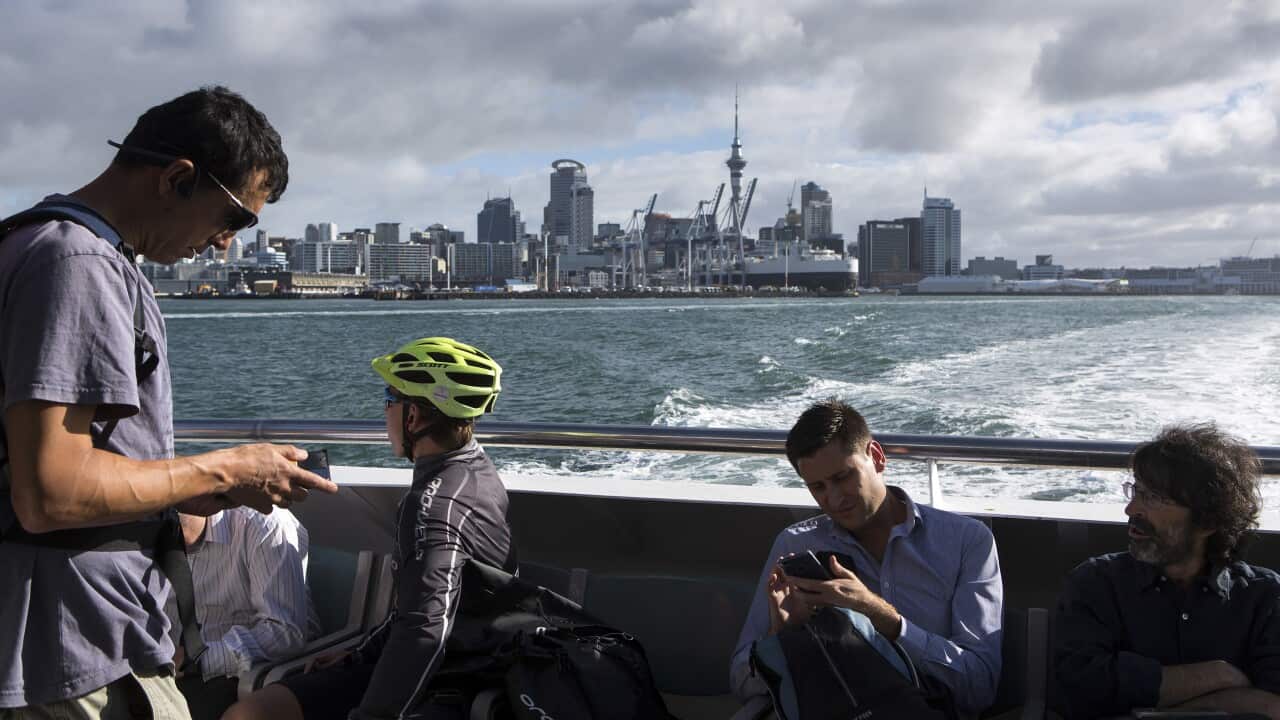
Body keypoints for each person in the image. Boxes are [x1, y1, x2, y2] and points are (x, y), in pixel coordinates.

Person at [0, 86, 338, 719]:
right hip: (76, 653)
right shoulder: (78, 263)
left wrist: (182, 492)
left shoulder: (36, 243)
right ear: (179, 178)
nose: (224, 245)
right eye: (237, 218)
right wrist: (227, 469)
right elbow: (51, 492)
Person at [224, 337, 516, 720]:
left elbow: (425, 632)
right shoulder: (475, 471)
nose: (384, 410)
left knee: (248, 716)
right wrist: (362, 653)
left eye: (389, 397)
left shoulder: (434, 505)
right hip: (472, 655)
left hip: (451, 676)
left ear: (414, 417)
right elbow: (425, 607)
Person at [730, 399, 1004, 719]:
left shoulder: (966, 542)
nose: (833, 499)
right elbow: (740, 681)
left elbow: (979, 687)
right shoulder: (795, 544)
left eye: (843, 477)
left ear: (875, 457)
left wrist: (880, 617)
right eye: (817, 487)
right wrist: (783, 641)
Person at [1054, 424, 1280, 719]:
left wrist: (1158, 705)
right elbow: (1083, 686)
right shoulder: (1096, 583)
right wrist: (1218, 676)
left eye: (1152, 497)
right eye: (1135, 491)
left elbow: (1272, 703)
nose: (1131, 509)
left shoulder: (1264, 598)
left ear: (1208, 521)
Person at [174, 508, 318, 720]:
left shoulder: (264, 524)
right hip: (170, 668)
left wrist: (195, 659)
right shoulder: (140, 532)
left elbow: (286, 632)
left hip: (243, 675)